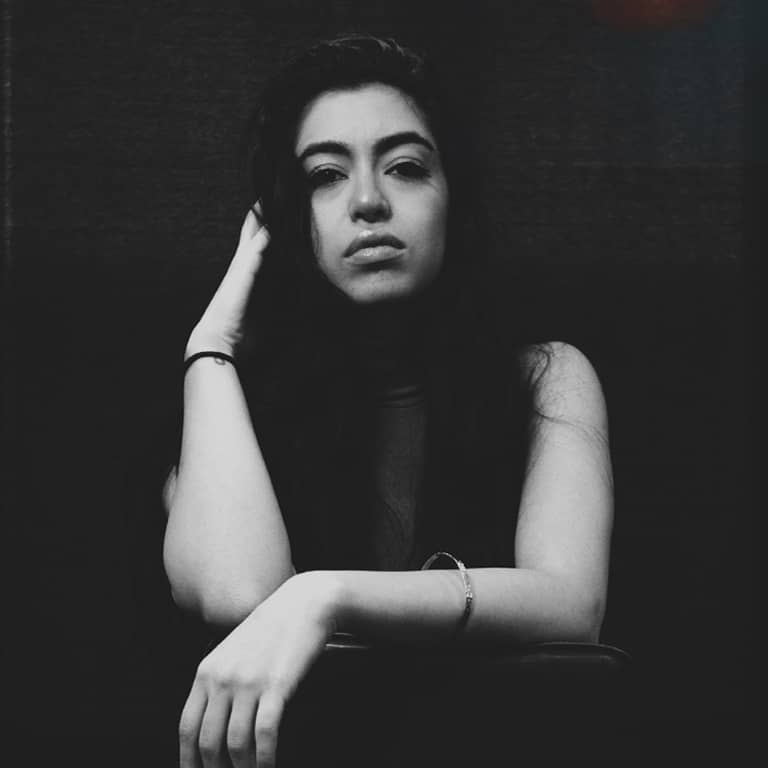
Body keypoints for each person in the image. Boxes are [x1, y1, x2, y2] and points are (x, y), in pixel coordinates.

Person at [162, 32, 613, 768]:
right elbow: (238, 594)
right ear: (283, 221)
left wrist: (323, 597)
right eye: (325, 176)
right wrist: (211, 343)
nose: (368, 202)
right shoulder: (232, 413)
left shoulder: (546, 378)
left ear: (453, 199)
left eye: (405, 167)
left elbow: (570, 604)